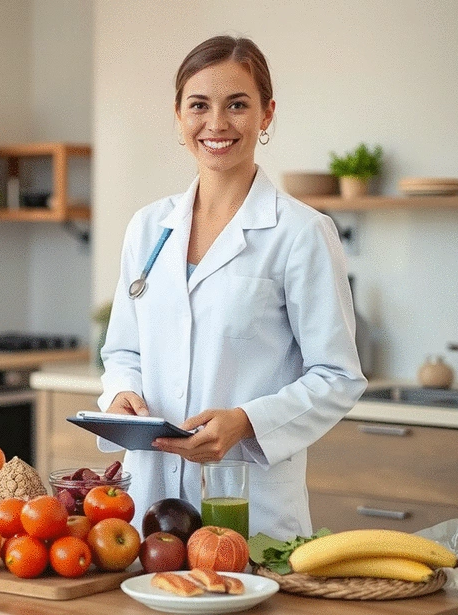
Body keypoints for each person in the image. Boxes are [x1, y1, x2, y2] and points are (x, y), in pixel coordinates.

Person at [97, 35, 367, 541]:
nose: (216, 124)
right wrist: (121, 395)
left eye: (237, 105)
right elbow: (122, 350)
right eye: (199, 105)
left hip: (251, 509)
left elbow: (337, 375)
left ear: (266, 115)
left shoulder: (302, 232)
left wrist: (246, 421)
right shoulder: (148, 227)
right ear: (178, 117)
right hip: (147, 511)